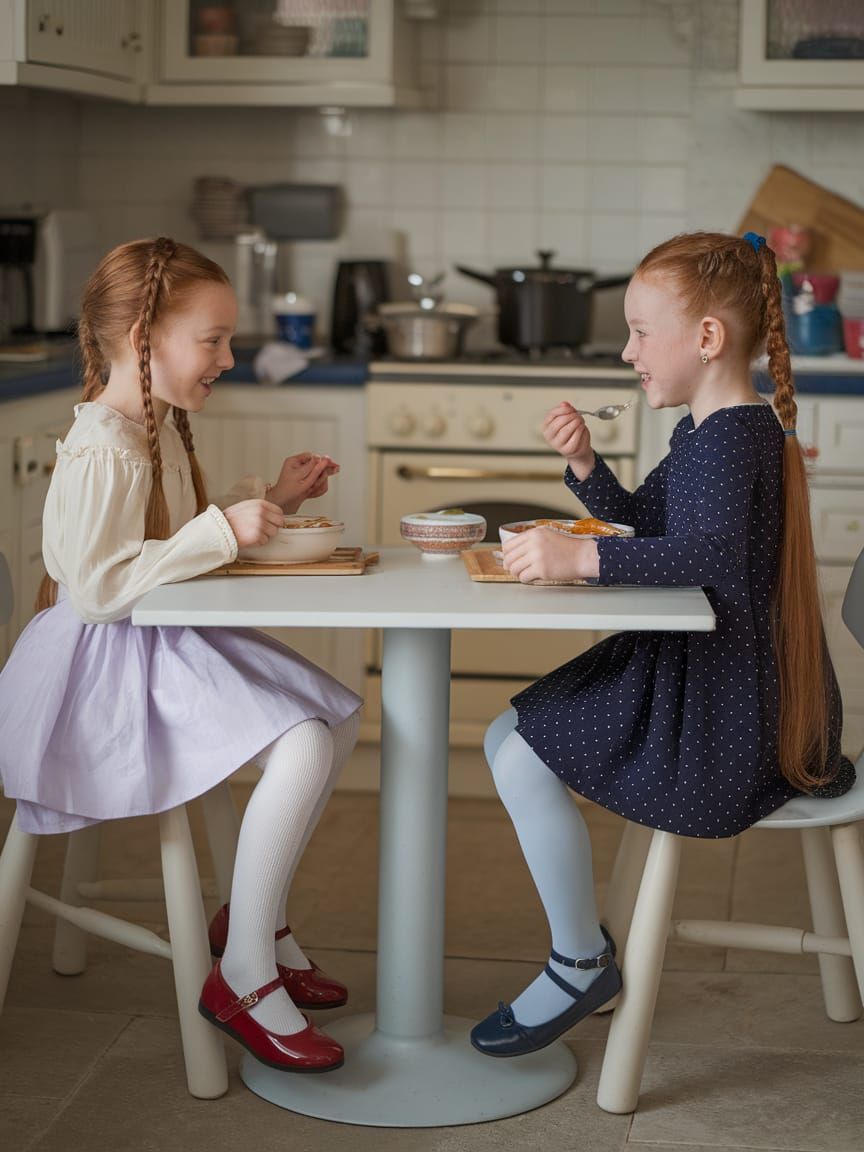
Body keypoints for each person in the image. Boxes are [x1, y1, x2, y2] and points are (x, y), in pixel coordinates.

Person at [470, 231, 854, 1059]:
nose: (626, 350)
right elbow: (652, 524)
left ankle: (579, 962)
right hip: (718, 682)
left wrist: (581, 556)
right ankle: (586, 949)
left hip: (725, 717)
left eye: (642, 331)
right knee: (507, 739)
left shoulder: (731, 436)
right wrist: (584, 465)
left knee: (515, 752)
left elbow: (707, 555)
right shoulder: (713, 432)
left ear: (708, 338)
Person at [0, 237, 364, 1074]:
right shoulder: (100, 446)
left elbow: (161, 540)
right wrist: (219, 531)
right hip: (99, 670)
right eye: (214, 340)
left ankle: (252, 924)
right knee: (307, 740)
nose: (229, 358)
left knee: (335, 718)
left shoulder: (151, 422)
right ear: (143, 336)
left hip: (154, 644)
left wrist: (269, 501)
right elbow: (96, 588)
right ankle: (240, 977)